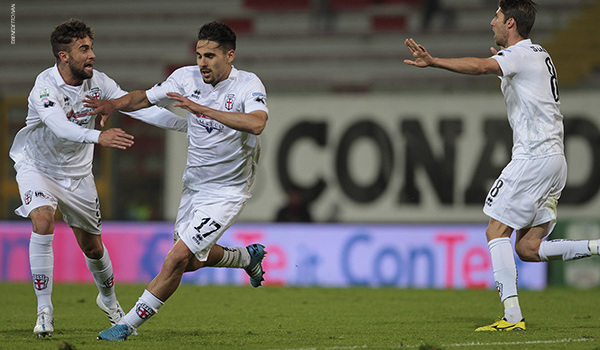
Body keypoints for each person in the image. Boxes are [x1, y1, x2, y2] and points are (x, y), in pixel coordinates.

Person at [404, 0, 600, 331]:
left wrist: (434, 60)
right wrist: (501, 64)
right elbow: (511, 76)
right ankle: (596, 246)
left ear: (510, 23)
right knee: (527, 247)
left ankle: (512, 317)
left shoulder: (520, 54)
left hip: (533, 158)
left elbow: (481, 66)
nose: (490, 22)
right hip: (555, 162)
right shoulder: (540, 54)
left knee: (496, 230)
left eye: (495, 16)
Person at [84, 21, 269, 341]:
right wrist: (114, 104)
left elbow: (256, 123)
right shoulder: (185, 78)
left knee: (177, 258)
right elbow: (146, 97)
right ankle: (246, 257)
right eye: (199, 55)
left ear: (230, 56)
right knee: (191, 262)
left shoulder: (248, 85)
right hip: (195, 185)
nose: (202, 62)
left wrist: (203, 110)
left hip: (228, 190)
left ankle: (125, 325)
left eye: (210, 56)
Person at [9, 19, 187, 338]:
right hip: (38, 167)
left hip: (77, 175)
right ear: (64, 56)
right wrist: (98, 137)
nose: (92, 54)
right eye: (84, 49)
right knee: (43, 221)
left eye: (92, 47)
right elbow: (59, 127)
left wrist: (185, 126)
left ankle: (108, 300)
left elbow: (137, 109)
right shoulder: (45, 87)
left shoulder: (98, 82)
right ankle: (44, 311)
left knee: (93, 248)